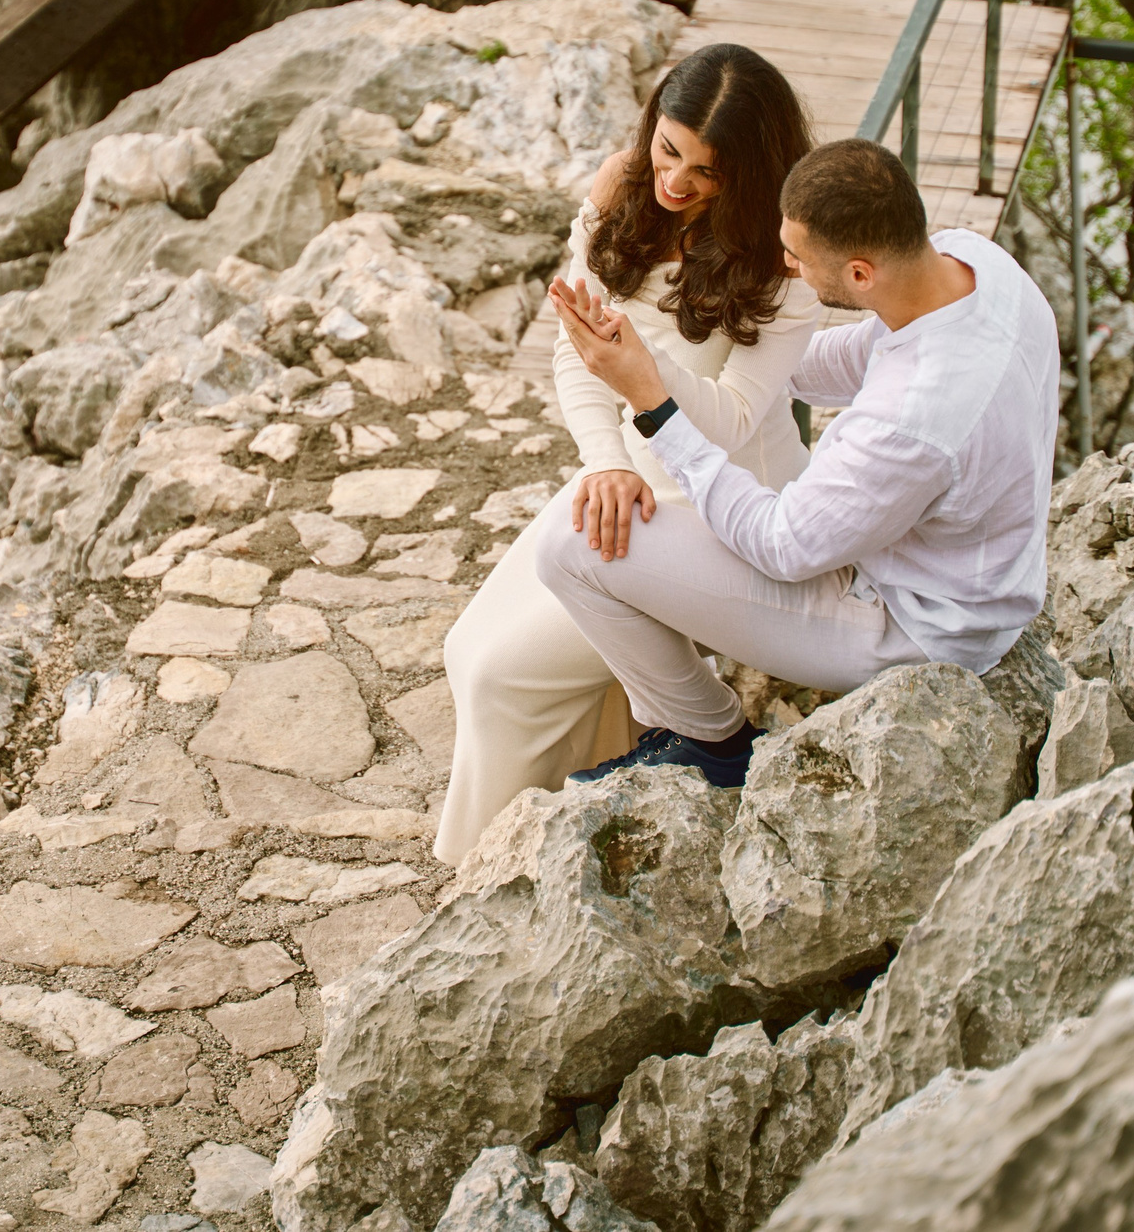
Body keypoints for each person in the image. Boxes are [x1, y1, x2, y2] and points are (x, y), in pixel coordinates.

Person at [534, 136, 1059, 789]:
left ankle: (716, 745)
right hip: (956, 566)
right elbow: (849, 358)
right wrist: (729, 359)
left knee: (570, 545)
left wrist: (654, 404)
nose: (784, 264)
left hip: (912, 624)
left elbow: (781, 544)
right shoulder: (973, 264)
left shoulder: (913, 417)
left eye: (798, 257)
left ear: (859, 274)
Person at [431, 43, 821, 865]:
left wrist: (639, 365)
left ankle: (490, 866)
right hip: (631, 476)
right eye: (668, 148)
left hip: (726, 501)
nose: (676, 180)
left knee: (502, 674)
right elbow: (575, 353)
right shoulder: (629, 192)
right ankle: (573, 802)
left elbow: (733, 420)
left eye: (707, 171)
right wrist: (604, 459)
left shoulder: (783, 264)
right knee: (466, 648)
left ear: (749, 174)